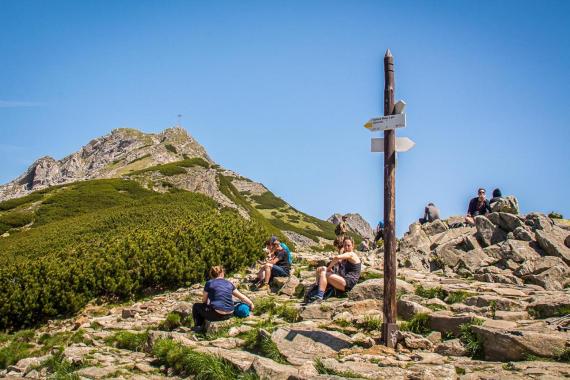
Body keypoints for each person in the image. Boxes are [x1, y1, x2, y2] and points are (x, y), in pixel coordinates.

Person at [192, 266, 254, 332]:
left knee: (196, 306)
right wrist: (251, 303)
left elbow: (204, 300)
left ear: (211, 275)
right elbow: (242, 297)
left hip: (216, 315)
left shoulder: (209, 283)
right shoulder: (229, 283)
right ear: (222, 273)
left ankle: (198, 326)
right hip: (229, 314)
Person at [310, 236, 361, 302]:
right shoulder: (346, 256)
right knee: (322, 269)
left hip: (348, 283)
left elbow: (337, 258)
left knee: (324, 273)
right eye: (345, 245)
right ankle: (317, 286)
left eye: (349, 245)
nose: (346, 247)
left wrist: (329, 268)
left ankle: (319, 297)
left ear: (353, 246)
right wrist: (328, 268)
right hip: (343, 280)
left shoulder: (351, 254)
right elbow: (338, 263)